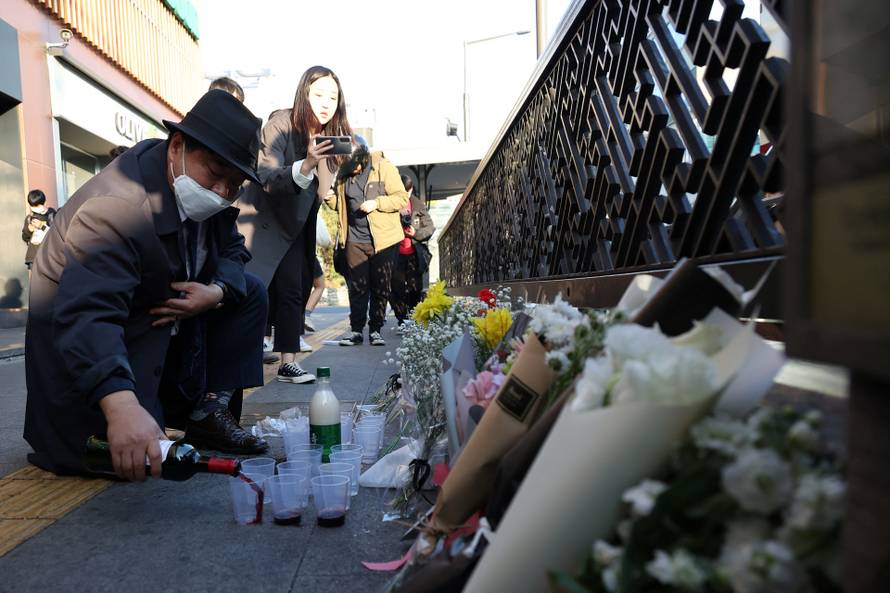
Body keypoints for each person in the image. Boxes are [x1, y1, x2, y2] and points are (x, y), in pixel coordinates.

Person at [24, 90, 269, 480]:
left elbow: (234, 250)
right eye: (215, 173)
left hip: (158, 338)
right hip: (92, 373)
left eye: (235, 183)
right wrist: (121, 405)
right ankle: (130, 409)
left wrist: (216, 292)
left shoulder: (195, 192)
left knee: (248, 290)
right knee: (132, 452)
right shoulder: (119, 207)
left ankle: (207, 411)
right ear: (177, 147)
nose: (223, 192)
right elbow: (89, 314)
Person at [237, 66, 350, 382]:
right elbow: (267, 176)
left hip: (297, 227)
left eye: (332, 96)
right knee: (253, 291)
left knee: (293, 291)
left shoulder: (327, 137)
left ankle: (288, 360)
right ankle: (241, 362)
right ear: (304, 93)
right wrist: (308, 162)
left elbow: (320, 191)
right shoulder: (281, 124)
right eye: (318, 95)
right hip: (263, 222)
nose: (326, 103)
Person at [324, 137, 408, 347]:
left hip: (384, 239)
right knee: (357, 287)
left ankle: (376, 329)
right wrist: (329, 197)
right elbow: (340, 205)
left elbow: (400, 198)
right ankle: (356, 330)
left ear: (362, 160)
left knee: (381, 286)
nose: (351, 171)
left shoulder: (384, 168)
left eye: (353, 167)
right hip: (354, 238)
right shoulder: (343, 175)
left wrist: (376, 203)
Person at [389, 175, 435, 331]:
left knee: (415, 288)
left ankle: (414, 318)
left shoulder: (417, 204)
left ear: (411, 190)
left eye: (405, 193)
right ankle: (402, 320)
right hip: (394, 254)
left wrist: (415, 232)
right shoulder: (389, 204)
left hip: (414, 254)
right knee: (396, 290)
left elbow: (430, 228)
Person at [21, 189, 56, 270]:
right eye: (33, 206)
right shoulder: (29, 218)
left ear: (45, 203)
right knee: (36, 282)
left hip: (49, 255)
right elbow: (24, 237)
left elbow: (56, 234)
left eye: (38, 206)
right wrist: (29, 230)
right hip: (33, 256)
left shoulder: (51, 214)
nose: (35, 208)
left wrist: (42, 226)